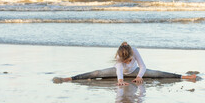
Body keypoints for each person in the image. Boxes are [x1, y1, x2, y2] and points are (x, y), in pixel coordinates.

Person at [52, 42, 196, 86]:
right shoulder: (119, 59)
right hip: (117, 73)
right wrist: (120, 80)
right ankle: (70, 78)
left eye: (129, 60)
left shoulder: (134, 51)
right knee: (97, 74)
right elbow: (119, 69)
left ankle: (184, 76)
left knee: (157, 73)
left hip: (135, 71)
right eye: (125, 61)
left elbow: (143, 66)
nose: (127, 62)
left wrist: (139, 76)